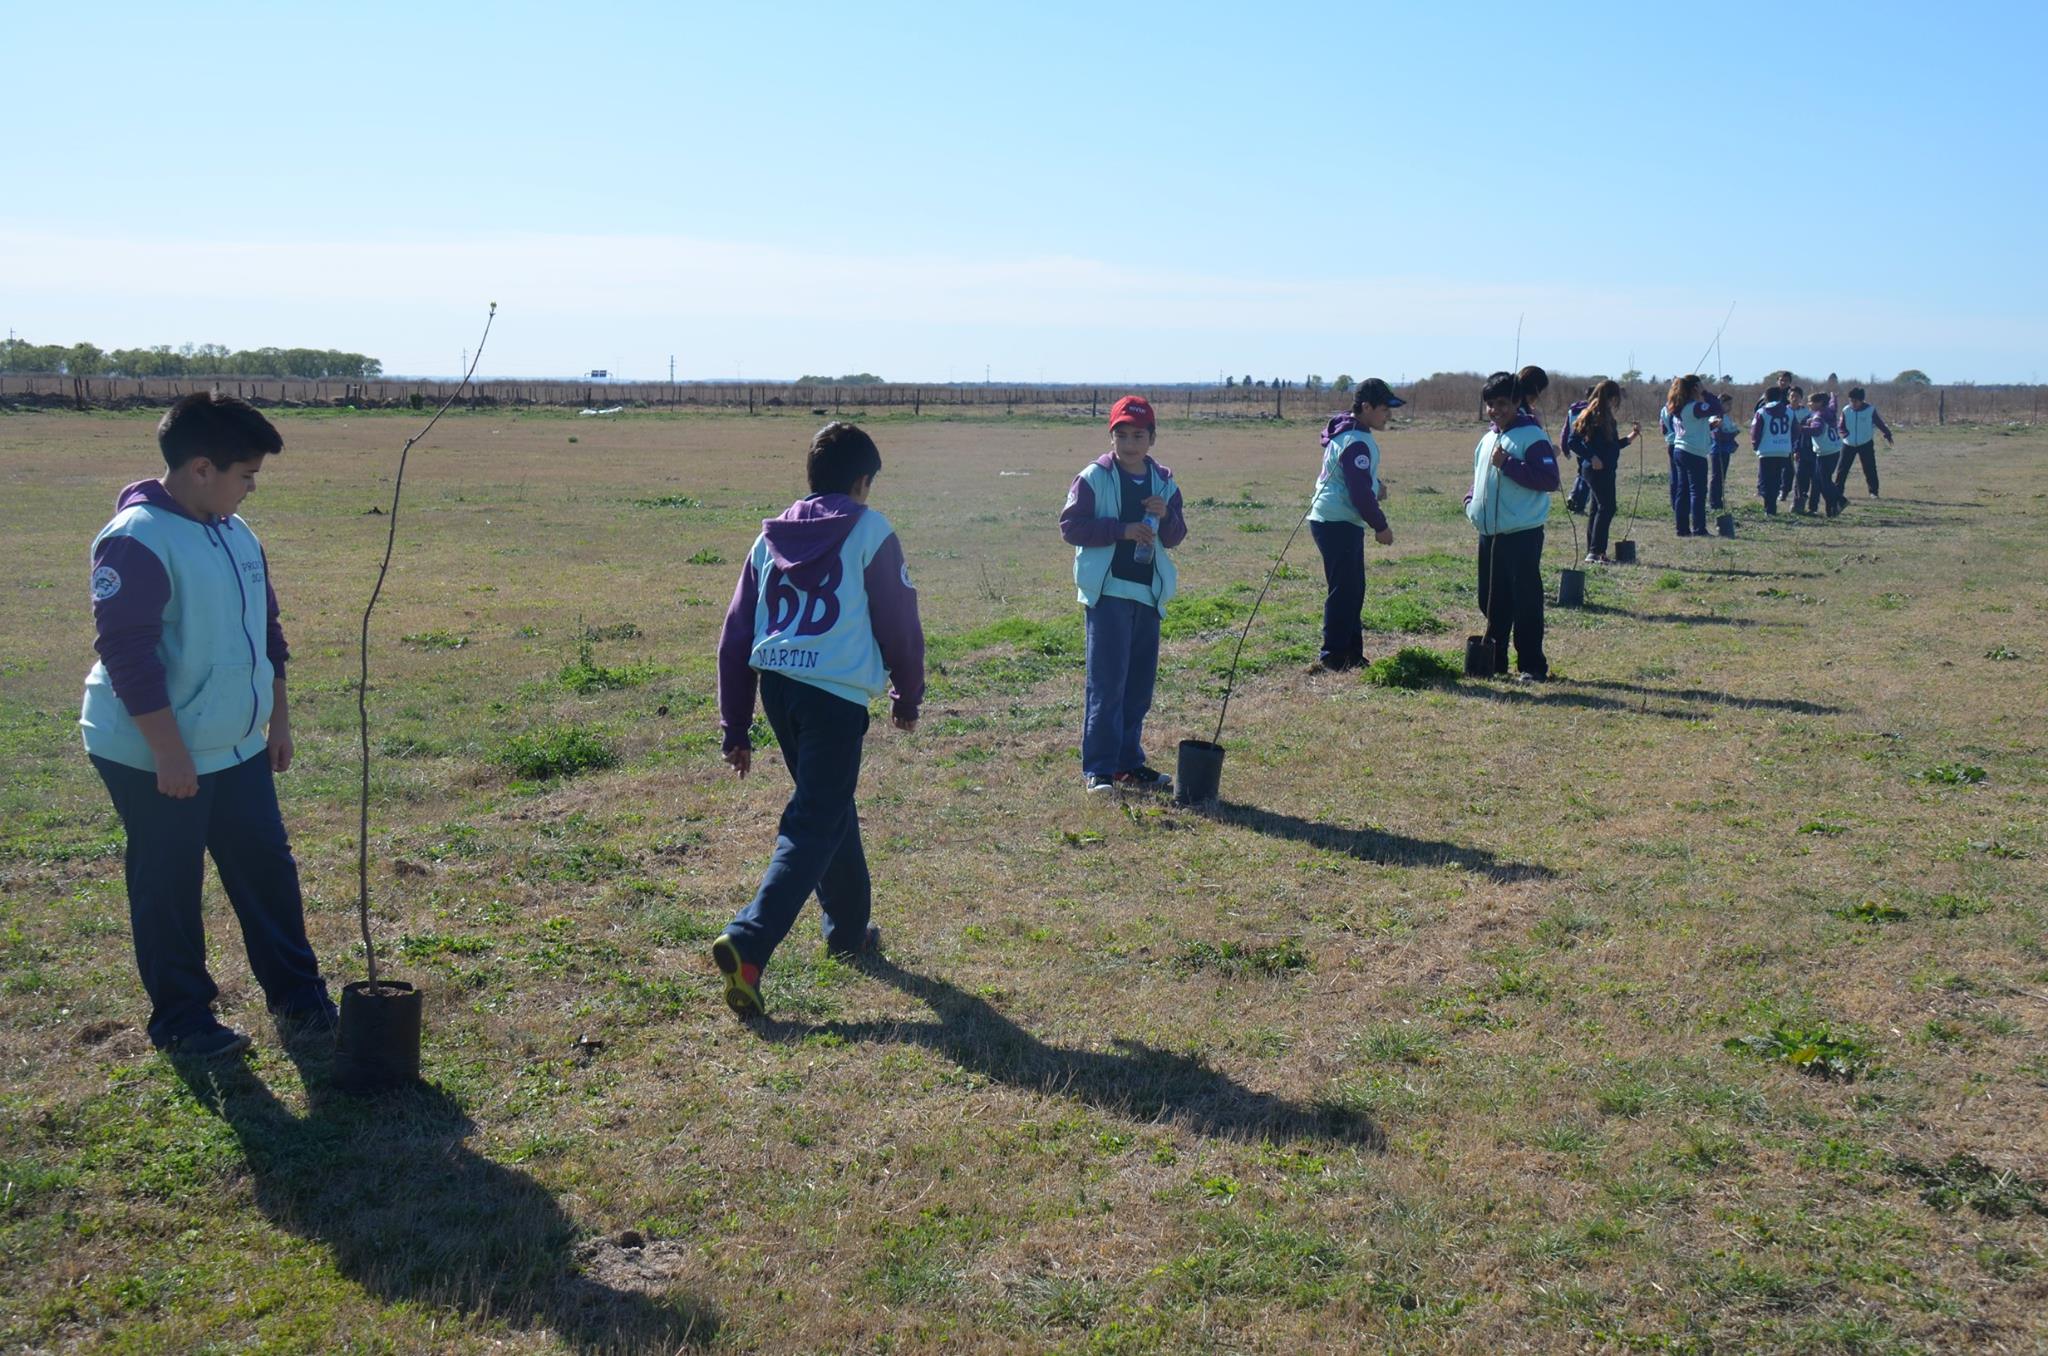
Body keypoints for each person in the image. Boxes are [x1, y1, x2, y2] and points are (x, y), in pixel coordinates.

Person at [79, 392, 337, 1059]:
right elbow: (128, 657)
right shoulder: (137, 540)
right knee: (169, 881)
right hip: (151, 750)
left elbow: (266, 632)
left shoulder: (234, 531)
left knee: (265, 868)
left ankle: (300, 997)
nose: (252, 489)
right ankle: (184, 1022)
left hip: (235, 743)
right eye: (245, 475)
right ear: (201, 467)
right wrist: (168, 755)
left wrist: (276, 719)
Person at [712, 422, 925, 1018]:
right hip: (832, 697)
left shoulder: (767, 538)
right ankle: (748, 944)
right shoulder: (870, 529)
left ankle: (847, 930)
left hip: (779, 689)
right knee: (813, 820)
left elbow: (734, 638)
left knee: (830, 806)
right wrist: (907, 693)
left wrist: (737, 725)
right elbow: (899, 621)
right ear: (862, 482)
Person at [1060, 396, 1187, 792]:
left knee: (1138, 686)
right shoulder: (1093, 478)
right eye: (1122, 435)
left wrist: (1166, 517)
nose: (1130, 443)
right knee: (1107, 684)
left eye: (1138, 435)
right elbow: (1071, 527)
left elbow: (1177, 536)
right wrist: (1121, 529)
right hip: (1109, 593)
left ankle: (1128, 763)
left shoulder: (1164, 482)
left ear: (1152, 438)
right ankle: (1098, 769)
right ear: (1110, 435)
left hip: (1147, 595)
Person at [1464, 366, 1559, 680]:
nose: (1495, 411)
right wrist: (1470, 502)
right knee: (1491, 600)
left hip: (1521, 535)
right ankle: (1495, 660)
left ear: (1518, 402)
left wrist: (1510, 464)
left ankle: (1532, 665)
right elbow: (1479, 477)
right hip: (1489, 535)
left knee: (1525, 603)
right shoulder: (1488, 437)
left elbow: (1549, 480)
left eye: (1503, 404)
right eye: (1490, 404)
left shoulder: (1532, 437)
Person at [1306, 378, 1401, 671]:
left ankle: (1351, 653)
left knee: (1352, 588)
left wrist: (1376, 484)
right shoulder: (1356, 441)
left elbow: (1358, 481)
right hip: (1337, 522)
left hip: (1335, 520)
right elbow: (1358, 493)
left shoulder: (1350, 433)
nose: (1389, 415)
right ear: (1366, 407)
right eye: (1384, 409)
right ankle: (1333, 655)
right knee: (1345, 590)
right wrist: (1380, 526)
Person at [1573, 379, 1639, 563]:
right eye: (1616, 398)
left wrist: (1630, 438)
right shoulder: (1593, 415)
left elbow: (1611, 446)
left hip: (1606, 470)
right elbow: (1573, 441)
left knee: (1597, 509)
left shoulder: (1606, 416)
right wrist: (1592, 457)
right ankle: (1596, 552)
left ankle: (1592, 551)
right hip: (1596, 471)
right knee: (1608, 507)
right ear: (1611, 397)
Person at [1666, 375, 1723, 536]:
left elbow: (1692, 427)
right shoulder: (1694, 407)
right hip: (1694, 453)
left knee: (1682, 491)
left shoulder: (1678, 407)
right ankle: (1699, 528)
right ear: (1694, 388)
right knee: (1697, 492)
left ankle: (1682, 529)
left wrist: (1710, 426)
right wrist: (1705, 393)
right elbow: (1716, 407)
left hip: (1680, 450)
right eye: (1700, 385)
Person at [1833, 386, 1895, 498]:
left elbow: (1879, 423)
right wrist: (1845, 435)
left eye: (1855, 401)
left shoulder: (1870, 410)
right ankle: (1838, 491)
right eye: (1851, 400)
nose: (1853, 403)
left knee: (1870, 468)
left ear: (1861, 400)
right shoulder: (1846, 410)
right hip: (1848, 444)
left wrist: (1887, 433)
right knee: (1842, 469)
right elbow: (1841, 426)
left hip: (1865, 443)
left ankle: (1873, 492)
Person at [1749, 384, 1797, 514]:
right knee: (1777, 479)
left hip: (1766, 451)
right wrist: (1789, 445)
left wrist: (1755, 445)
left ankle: (1768, 507)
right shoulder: (1789, 411)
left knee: (1766, 479)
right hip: (1783, 450)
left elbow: (1755, 432)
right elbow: (1795, 431)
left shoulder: (1762, 412)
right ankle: (1773, 506)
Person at [1798, 389, 1847, 517]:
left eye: (1811, 402)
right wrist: (1833, 397)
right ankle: (1832, 509)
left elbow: (1817, 430)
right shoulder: (1829, 411)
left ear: (1819, 403)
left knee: (1824, 481)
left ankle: (1840, 500)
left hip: (1825, 452)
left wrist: (1800, 428)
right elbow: (1833, 405)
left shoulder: (1818, 416)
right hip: (1835, 449)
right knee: (1822, 480)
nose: (1809, 404)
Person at [1560, 384, 1594, 514]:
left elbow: (1566, 430)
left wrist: (1565, 448)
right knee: (1587, 477)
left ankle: (1573, 497)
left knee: (1581, 473)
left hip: (1576, 447)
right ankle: (1579, 506)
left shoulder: (1572, 410)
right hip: (1588, 449)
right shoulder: (1591, 411)